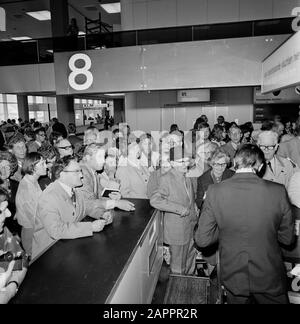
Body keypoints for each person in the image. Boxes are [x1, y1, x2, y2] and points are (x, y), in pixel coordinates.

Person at [194, 144, 295, 304]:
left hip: (233, 272)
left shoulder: (214, 191)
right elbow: (287, 239)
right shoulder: (278, 191)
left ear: (234, 162)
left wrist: (226, 231)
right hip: (268, 271)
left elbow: (202, 239)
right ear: (261, 166)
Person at [32, 156, 112, 260]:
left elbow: (86, 207)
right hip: (49, 254)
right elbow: (56, 230)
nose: (81, 175)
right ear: (61, 174)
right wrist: (90, 227)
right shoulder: (49, 197)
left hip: (68, 247)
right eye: (77, 171)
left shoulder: (75, 190)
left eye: (81, 171)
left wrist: (102, 214)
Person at [150, 146, 197, 275]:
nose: (185, 164)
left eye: (186, 160)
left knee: (189, 261)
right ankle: (178, 291)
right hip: (177, 232)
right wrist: (178, 209)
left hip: (190, 228)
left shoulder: (186, 177)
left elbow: (190, 201)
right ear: (171, 163)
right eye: (181, 161)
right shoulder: (166, 178)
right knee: (178, 268)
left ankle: (189, 285)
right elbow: (155, 200)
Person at [79, 143, 135, 212]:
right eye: (99, 157)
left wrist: (112, 198)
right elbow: (88, 203)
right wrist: (116, 203)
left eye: (103, 157)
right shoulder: (81, 173)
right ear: (88, 157)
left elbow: (98, 196)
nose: (103, 161)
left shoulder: (93, 172)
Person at [15, 153, 47, 256]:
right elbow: (35, 218)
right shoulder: (27, 187)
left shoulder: (32, 181)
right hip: (33, 235)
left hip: (36, 231)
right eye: (42, 164)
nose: (46, 166)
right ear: (33, 168)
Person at [0, 187, 28, 304]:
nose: (9, 214)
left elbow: (22, 260)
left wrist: (12, 285)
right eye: (2, 210)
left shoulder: (3, 231)